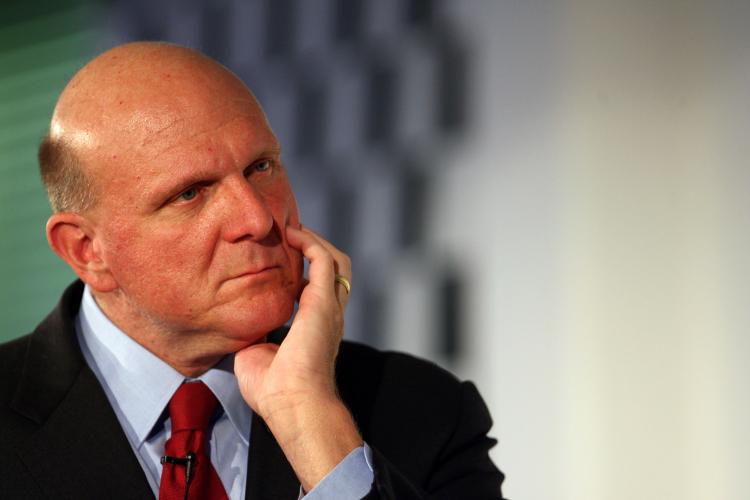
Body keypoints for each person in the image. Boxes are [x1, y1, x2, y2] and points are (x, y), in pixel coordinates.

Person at [0, 42, 504, 499]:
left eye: (261, 167)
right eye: (190, 193)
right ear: (87, 250)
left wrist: (312, 422)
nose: (258, 219)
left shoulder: (427, 412)